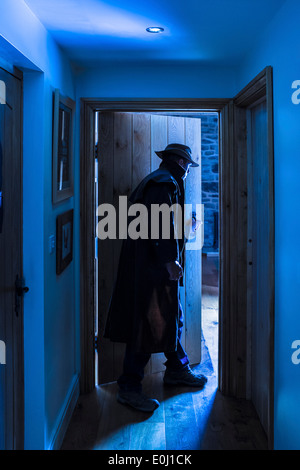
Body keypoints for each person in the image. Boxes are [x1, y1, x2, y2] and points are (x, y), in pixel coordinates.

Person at [104, 143, 207, 413]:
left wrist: (186, 224)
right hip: (152, 267)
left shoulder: (161, 180)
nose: (187, 171)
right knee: (149, 323)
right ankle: (128, 387)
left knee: (169, 316)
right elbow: (158, 224)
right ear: (180, 162)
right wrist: (169, 260)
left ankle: (176, 368)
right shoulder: (164, 182)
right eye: (187, 165)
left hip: (150, 265)